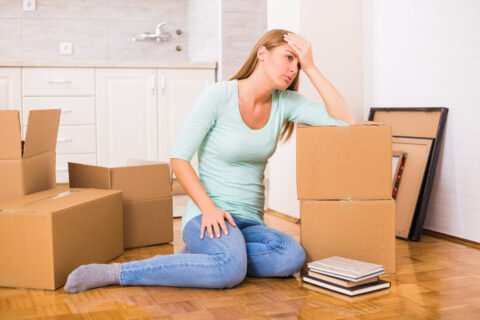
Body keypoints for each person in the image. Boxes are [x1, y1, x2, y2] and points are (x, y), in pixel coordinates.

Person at [64, 29, 356, 293]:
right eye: (289, 57)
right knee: (229, 270)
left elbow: (346, 123)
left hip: (250, 222)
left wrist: (313, 66)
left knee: (292, 256)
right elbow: (179, 158)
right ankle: (118, 273)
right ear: (262, 54)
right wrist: (209, 209)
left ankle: (208, 259)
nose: (294, 69)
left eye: (299, 64)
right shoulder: (218, 96)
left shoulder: (286, 103)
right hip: (208, 217)